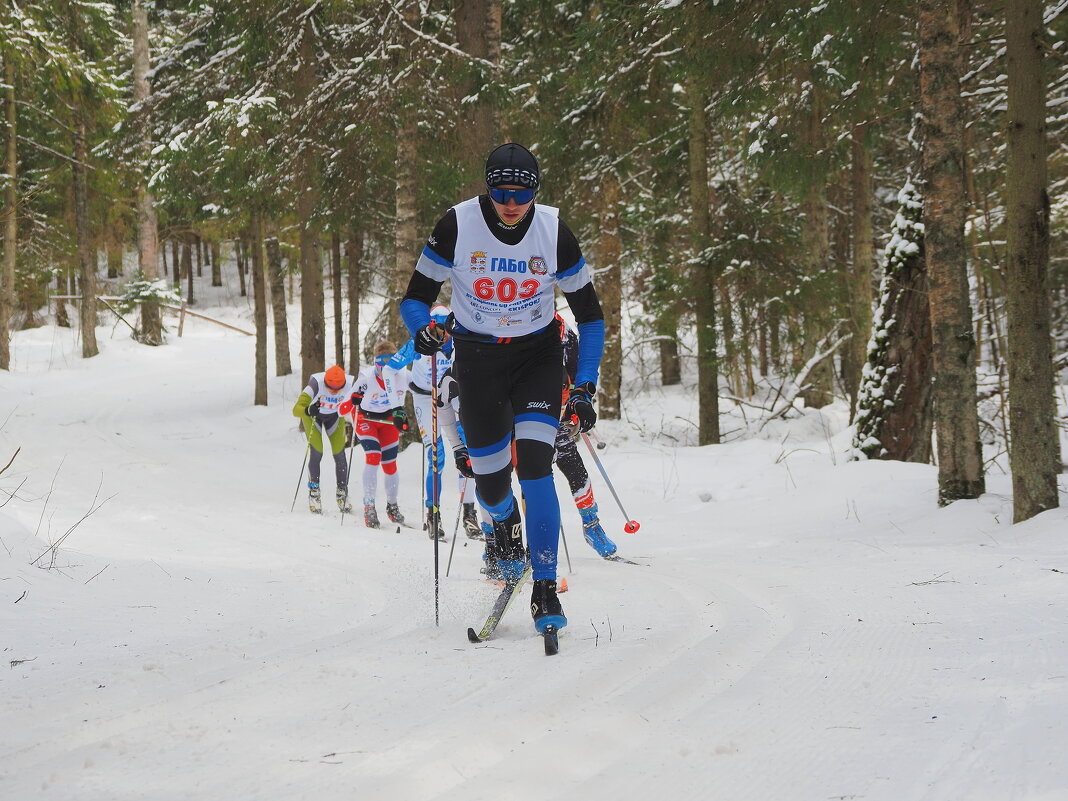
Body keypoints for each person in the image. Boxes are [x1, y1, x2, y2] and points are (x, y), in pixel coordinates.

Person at [399, 142, 604, 636]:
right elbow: (415, 300)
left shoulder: (553, 231)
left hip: (536, 357)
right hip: (479, 359)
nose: (511, 202)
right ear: (486, 188)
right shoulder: (457, 224)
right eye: (500, 191)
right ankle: (506, 526)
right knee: (489, 480)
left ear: (536, 191)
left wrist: (583, 387)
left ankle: (546, 586)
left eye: (522, 192)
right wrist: (421, 330)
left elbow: (591, 317)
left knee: (536, 463)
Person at [386, 304, 482, 539]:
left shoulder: (461, 340)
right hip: (424, 397)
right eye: (440, 329)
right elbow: (389, 370)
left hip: (452, 396)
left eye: (449, 328)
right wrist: (396, 407)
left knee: (468, 453)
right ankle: (433, 514)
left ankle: (469, 515)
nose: (445, 334)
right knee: (436, 457)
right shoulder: (419, 342)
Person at [555, 318, 617, 557]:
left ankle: (592, 525)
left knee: (575, 468)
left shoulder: (565, 333)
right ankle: (501, 542)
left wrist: (577, 403)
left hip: (558, 410)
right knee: (528, 475)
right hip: (521, 414)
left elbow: (581, 371)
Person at [352, 341, 410, 528]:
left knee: (390, 464)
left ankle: (392, 506)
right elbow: (348, 402)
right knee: (373, 456)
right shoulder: (366, 377)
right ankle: (369, 506)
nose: (384, 371)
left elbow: (423, 387)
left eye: (389, 365)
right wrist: (353, 400)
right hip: (366, 419)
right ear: (375, 363)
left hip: (388, 421)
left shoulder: (404, 375)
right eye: (380, 365)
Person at [292, 364, 359, 514]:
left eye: (338, 389)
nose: (334, 392)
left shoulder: (350, 384)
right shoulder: (315, 384)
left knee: (339, 454)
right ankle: (314, 492)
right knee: (317, 452)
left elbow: (360, 403)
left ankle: (342, 492)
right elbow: (295, 410)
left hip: (334, 417)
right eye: (330, 388)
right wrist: (307, 410)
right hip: (313, 416)